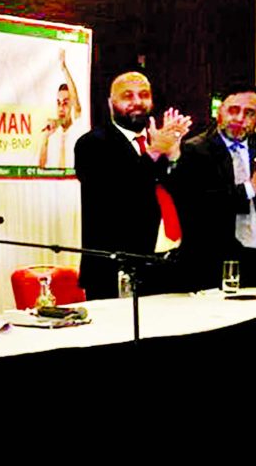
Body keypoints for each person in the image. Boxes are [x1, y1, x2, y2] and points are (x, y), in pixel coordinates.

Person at [74, 71, 191, 299]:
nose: (137, 102)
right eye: (128, 96)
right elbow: (119, 195)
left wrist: (174, 153)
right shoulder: (92, 144)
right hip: (114, 270)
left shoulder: (162, 140)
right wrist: (155, 152)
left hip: (167, 265)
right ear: (111, 103)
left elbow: (188, 195)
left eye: (144, 95)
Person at [171, 84, 256, 289]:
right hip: (213, 263)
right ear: (219, 112)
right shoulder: (195, 150)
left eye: (249, 113)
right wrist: (252, 187)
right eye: (233, 110)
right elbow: (202, 206)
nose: (239, 119)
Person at [38, 49, 84, 168]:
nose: (61, 107)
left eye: (65, 103)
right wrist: (45, 139)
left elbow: (76, 103)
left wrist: (64, 69)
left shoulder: (78, 127)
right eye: (58, 103)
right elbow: (41, 167)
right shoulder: (52, 134)